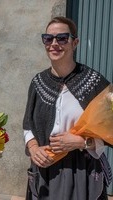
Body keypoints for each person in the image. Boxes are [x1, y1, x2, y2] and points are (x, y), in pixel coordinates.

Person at [23, 16, 112, 200]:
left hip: (82, 170)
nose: (54, 44)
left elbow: (110, 130)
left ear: (75, 42)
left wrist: (82, 142)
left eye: (62, 38)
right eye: (48, 38)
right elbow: (28, 126)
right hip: (45, 169)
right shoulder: (38, 83)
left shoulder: (94, 82)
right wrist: (33, 149)